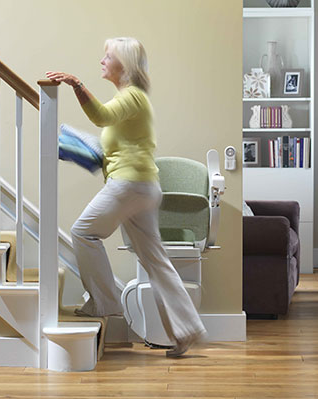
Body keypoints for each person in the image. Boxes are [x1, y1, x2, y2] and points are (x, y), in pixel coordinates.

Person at [45, 37, 207, 357]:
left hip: (130, 186)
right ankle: (186, 329)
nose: (102, 60)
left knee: (83, 232)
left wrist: (76, 84)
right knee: (156, 262)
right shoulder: (132, 100)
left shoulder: (133, 96)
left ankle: (104, 303)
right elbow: (117, 143)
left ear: (126, 65)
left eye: (109, 56)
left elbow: (101, 116)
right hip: (142, 186)